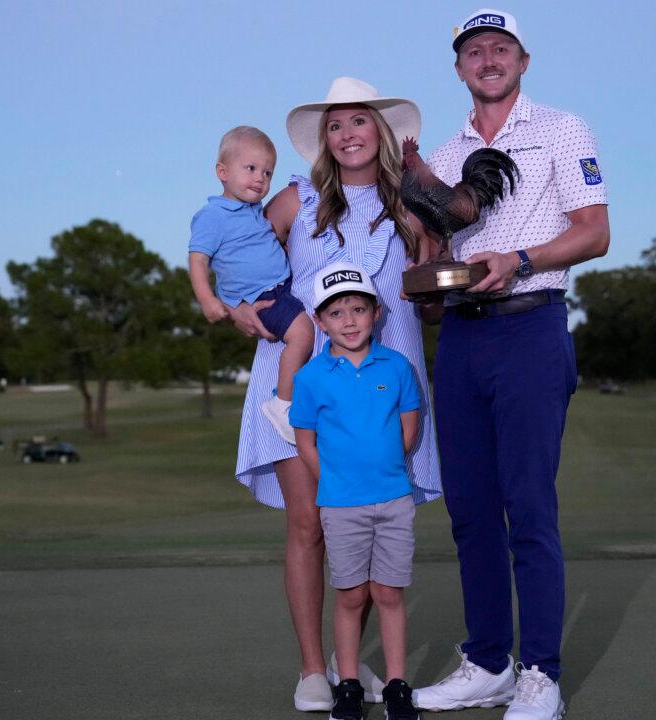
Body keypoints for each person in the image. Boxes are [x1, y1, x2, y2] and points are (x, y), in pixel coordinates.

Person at [412, 9, 610, 720]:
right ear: (459, 67)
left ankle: (541, 676)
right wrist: (430, 281)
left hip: (531, 327)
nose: (487, 58)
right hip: (463, 338)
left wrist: (520, 259)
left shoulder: (563, 128)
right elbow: (437, 253)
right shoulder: (443, 150)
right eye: (474, 50)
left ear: (522, 60)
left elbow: (595, 233)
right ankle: (489, 662)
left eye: (500, 48)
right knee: (469, 510)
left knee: (528, 507)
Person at [224, 78, 442, 713]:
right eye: (336, 125)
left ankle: (353, 666)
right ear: (325, 139)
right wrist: (236, 304)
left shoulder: (409, 204)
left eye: (359, 122)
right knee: (309, 524)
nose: (348, 135)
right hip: (298, 378)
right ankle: (313, 670)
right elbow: (241, 254)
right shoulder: (296, 198)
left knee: (366, 525)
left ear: (380, 131)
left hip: (382, 380)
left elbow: (430, 284)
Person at [291, 261, 422, 720]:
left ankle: (397, 686)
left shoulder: (397, 367)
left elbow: (409, 426)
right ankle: (346, 685)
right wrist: (336, 476)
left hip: (393, 500)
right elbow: (305, 439)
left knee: (389, 594)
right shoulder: (310, 377)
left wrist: (381, 466)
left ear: (377, 312)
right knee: (350, 596)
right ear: (320, 321)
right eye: (336, 312)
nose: (348, 320)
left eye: (358, 309)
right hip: (341, 504)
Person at [188, 126, 313, 443]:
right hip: (262, 296)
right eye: (251, 169)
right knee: (302, 335)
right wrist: (208, 300)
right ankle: (282, 404)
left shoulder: (254, 210)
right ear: (222, 172)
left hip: (281, 287)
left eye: (267, 172)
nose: (260, 178)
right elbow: (198, 260)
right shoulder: (213, 216)